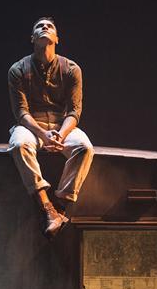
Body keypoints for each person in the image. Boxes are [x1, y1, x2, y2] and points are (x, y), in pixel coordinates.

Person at [8, 16, 94, 239]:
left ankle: (60, 208)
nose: (44, 27)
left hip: (60, 125)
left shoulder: (71, 69)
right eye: (39, 26)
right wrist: (43, 134)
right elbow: (21, 112)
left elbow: (74, 111)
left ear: (57, 38)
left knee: (84, 147)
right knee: (19, 144)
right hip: (32, 126)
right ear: (32, 38)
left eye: (50, 26)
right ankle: (47, 207)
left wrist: (60, 135)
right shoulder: (18, 69)